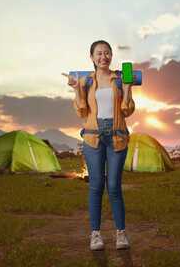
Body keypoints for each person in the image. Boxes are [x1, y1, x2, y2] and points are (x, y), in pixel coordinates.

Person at [62, 40, 135, 251]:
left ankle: (120, 233)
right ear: (92, 57)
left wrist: (128, 89)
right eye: (99, 53)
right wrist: (77, 90)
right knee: (95, 186)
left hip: (117, 137)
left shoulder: (120, 80)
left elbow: (127, 111)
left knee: (113, 187)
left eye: (107, 53)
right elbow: (82, 112)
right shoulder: (86, 81)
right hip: (93, 138)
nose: (104, 57)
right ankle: (95, 235)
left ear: (112, 56)